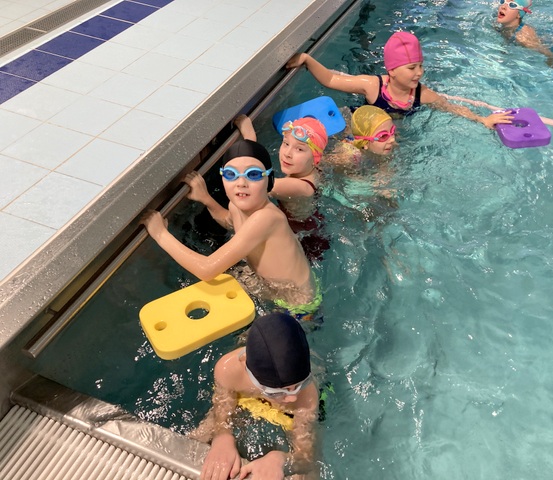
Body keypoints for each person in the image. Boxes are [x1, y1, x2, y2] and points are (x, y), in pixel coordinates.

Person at [141, 139, 321, 318]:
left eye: (253, 174)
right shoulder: (236, 206)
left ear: (270, 180)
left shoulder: (267, 218)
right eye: (231, 174)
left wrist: (160, 234)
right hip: (271, 290)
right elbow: (229, 222)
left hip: (299, 308)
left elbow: (206, 269)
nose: (241, 182)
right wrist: (205, 198)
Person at [286, 31, 513, 128]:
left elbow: (451, 108)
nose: (419, 72)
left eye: (421, 66)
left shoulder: (422, 94)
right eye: (412, 67)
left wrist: (482, 119)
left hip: (388, 136)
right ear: (392, 70)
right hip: (358, 125)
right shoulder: (372, 85)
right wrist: (307, 59)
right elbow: (331, 80)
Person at [191, 312, 319, 480]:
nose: (293, 398)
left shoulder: (307, 396)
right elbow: (222, 411)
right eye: (278, 392)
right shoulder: (228, 370)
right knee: (199, 436)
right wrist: (222, 436)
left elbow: (307, 458)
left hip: (287, 416)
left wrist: (281, 460)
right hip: (247, 397)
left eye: (300, 384)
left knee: (306, 477)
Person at [234, 115, 331, 263]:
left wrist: (250, 138)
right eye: (286, 143)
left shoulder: (300, 187)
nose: (287, 153)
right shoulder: (314, 168)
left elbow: (253, 183)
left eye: (299, 149)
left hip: (301, 244)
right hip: (309, 225)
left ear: (315, 158)